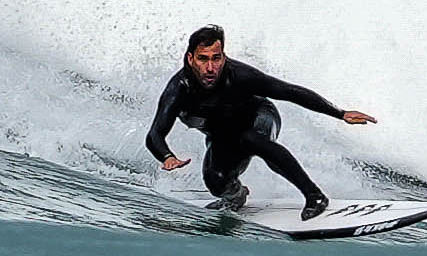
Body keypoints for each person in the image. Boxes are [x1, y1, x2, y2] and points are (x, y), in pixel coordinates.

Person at [144, 26, 373, 218]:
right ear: (190, 58)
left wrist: (339, 113)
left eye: (217, 58)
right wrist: (167, 156)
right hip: (224, 136)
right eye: (203, 59)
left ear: (224, 56)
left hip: (259, 117)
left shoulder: (239, 75)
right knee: (216, 181)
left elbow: (288, 91)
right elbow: (155, 135)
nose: (211, 68)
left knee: (252, 139)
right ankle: (237, 196)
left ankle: (315, 195)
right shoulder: (178, 90)